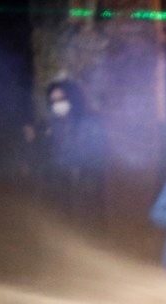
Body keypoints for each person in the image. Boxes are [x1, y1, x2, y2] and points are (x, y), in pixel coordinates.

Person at [28, 78, 110, 237]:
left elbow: (98, 156)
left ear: (73, 98)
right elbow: (46, 157)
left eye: (61, 99)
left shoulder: (90, 122)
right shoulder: (52, 125)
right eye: (53, 100)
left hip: (85, 189)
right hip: (61, 190)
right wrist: (37, 139)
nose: (57, 104)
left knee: (87, 232)